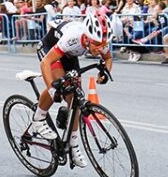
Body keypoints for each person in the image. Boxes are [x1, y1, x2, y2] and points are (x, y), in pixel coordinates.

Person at [30, 14, 114, 167]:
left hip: (69, 55)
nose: (100, 48)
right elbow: (46, 63)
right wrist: (52, 89)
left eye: (103, 44)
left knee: (75, 98)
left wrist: (105, 73)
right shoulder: (73, 37)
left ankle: (73, 145)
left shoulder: (100, 40)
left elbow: (108, 58)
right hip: (50, 50)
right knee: (59, 85)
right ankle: (38, 118)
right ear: (87, 38)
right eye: (96, 44)